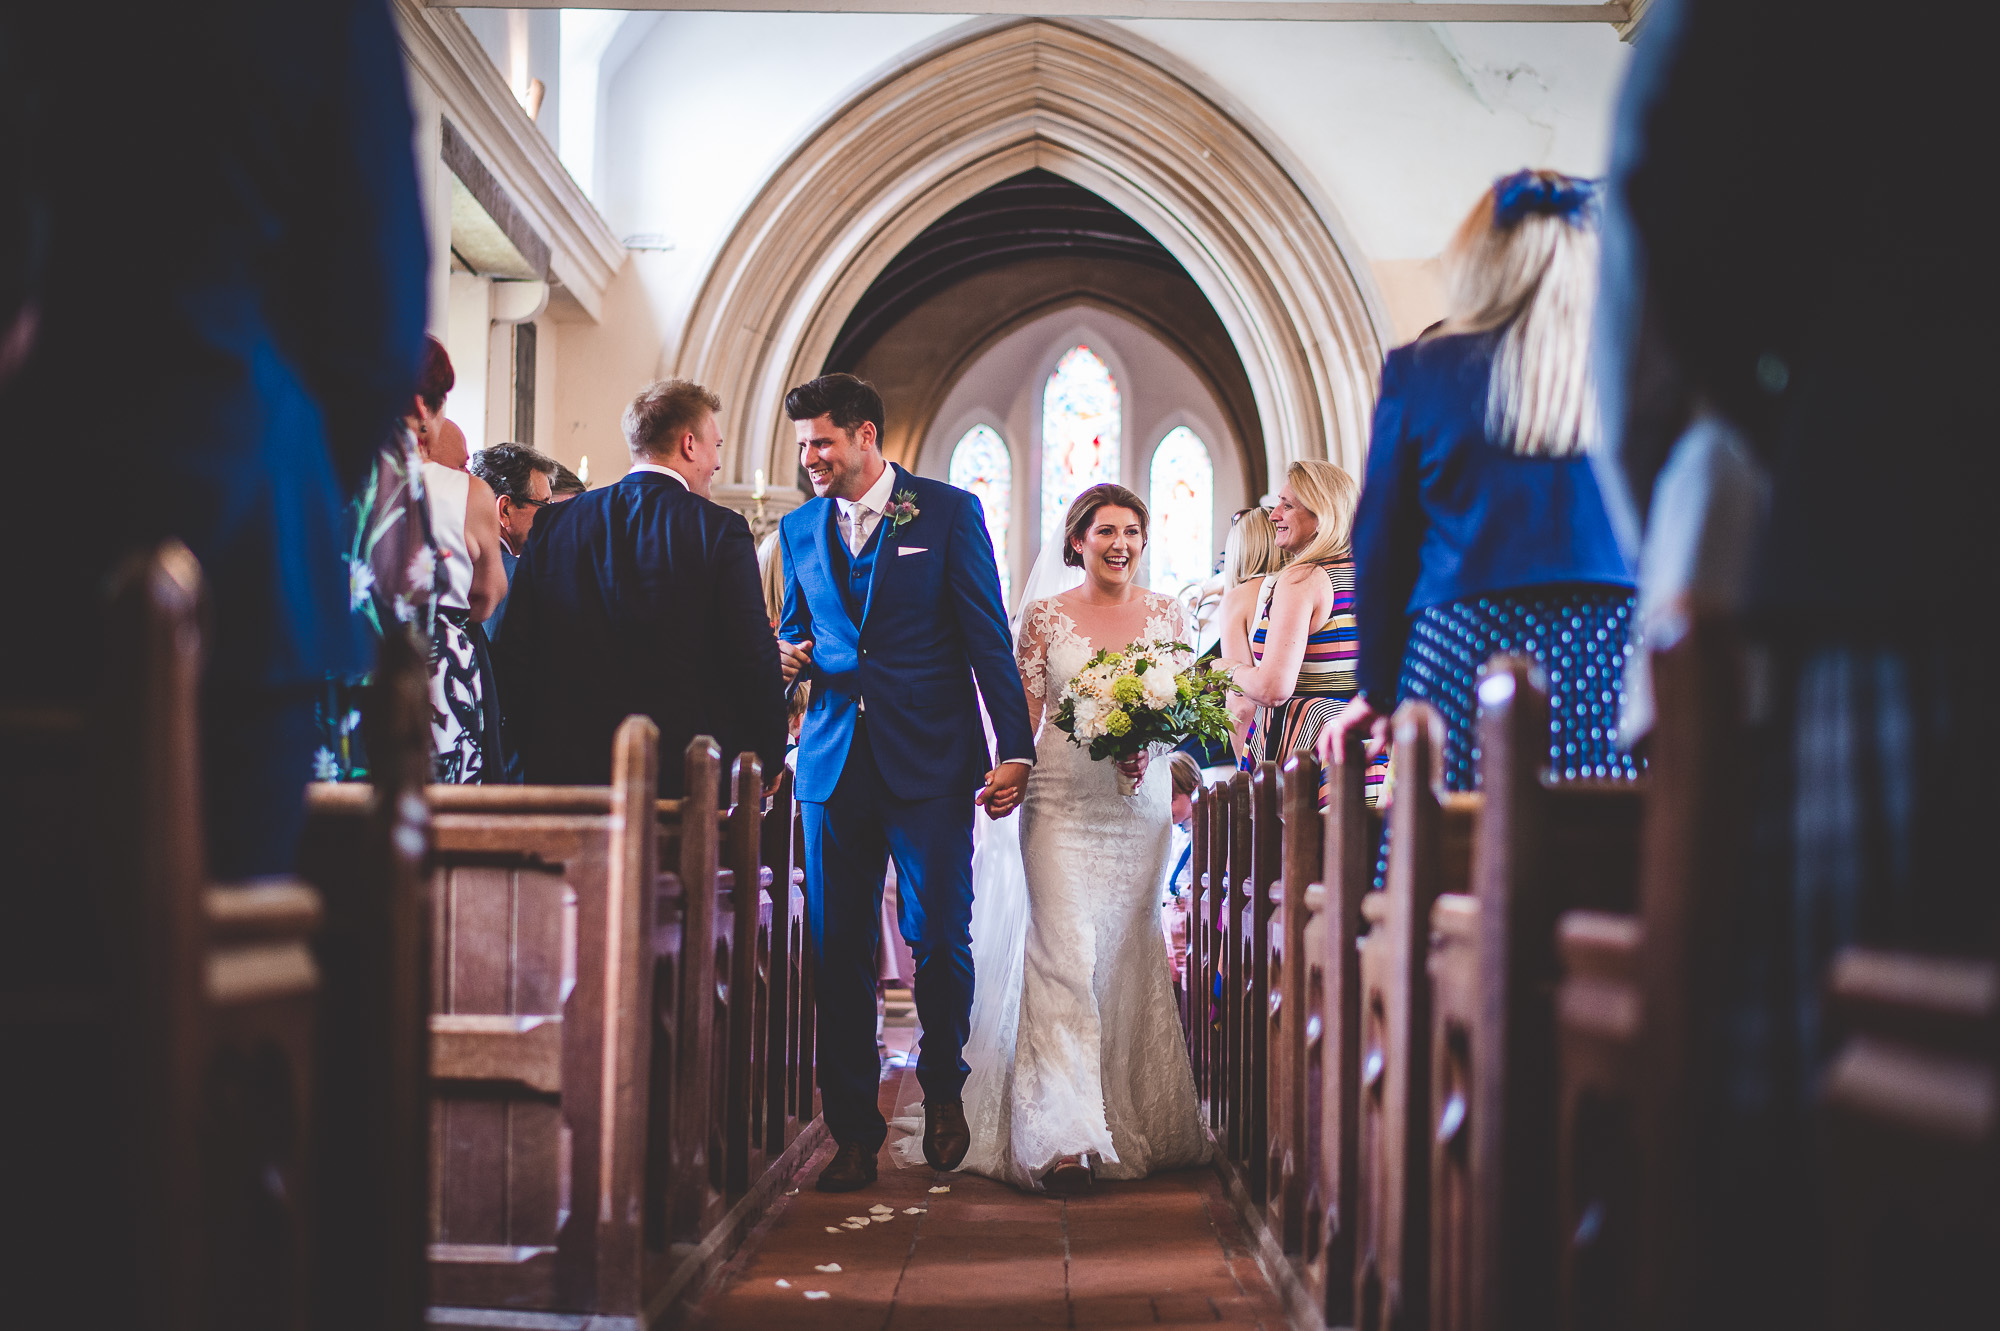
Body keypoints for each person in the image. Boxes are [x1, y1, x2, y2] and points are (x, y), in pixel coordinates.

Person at [774, 372, 1035, 1193]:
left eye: (821, 441)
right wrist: (784, 661)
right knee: (838, 949)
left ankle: (945, 1087)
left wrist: (1015, 748)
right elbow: (796, 628)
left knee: (940, 938)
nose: (810, 457)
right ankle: (854, 1132)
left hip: (929, 755)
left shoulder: (947, 512)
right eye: (805, 444)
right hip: (831, 761)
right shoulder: (797, 529)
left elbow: (988, 636)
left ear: (865, 435)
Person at [927, 482, 1208, 1195]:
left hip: (1134, 808)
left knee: (1123, 953)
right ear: (1077, 540)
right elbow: (1021, 714)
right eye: (1106, 530)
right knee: (1061, 957)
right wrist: (1007, 773)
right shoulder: (1046, 617)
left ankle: (1123, 1111)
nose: (1121, 543)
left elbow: (1183, 712)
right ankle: (1064, 1137)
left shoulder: (1170, 613)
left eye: (1133, 531)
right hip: (1057, 802)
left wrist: (1153, 746)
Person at [1324, 171, 1637, 794]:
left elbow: (1382, 541)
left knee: (1455, 850)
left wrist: (1379, 688)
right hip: (1611, 643)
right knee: (1599, 835)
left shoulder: (1424, 369)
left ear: (1482, 264)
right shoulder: (1628, 367)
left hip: (1465, 642)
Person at [496, 379, 786, 797]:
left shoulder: (557, 524)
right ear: (690, 445)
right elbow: (751, 655)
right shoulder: (719, 530)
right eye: (715, 446)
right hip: (683, 778)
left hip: (568, 775)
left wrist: (530, 751)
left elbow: (518, 648)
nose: (717, 462)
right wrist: (768, 753)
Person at [1216, 460, 1363, 806]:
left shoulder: (1302, 579)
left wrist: (1225, 670)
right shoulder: (1366, 576)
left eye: (1287, 505)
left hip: (1308, 762)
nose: (1273, 515)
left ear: (1321, 516)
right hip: (1364, 752)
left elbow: (1273, 689)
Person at [423, 418, 508, 783]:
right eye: (460, 465)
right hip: (438, 666)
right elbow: (486, 598)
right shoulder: (466, 494)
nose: (465, 472)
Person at [468, 442, 558, 643]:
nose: (551, 516)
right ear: (505, 510)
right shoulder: (517, 576)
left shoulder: (462, 563)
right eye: (544, 504)